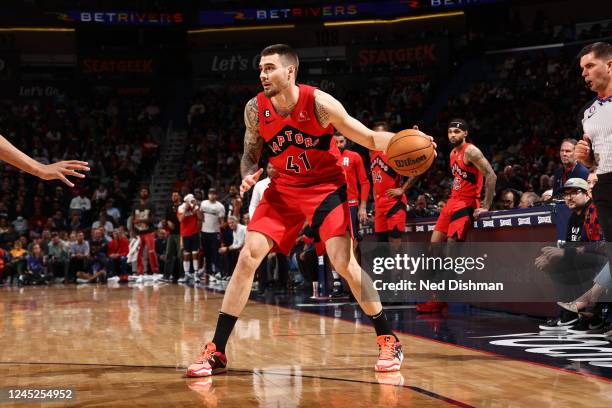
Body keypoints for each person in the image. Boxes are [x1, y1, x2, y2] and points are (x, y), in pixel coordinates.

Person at [187, 44, 435, 377]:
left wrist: (409, 140)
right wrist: (248, 173)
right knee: (248, 257)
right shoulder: (255, 109)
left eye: (270, 68)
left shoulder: (319, 103)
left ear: (290, 71)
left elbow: (369, 138)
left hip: (325, 189)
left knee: (342, 262)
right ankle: (217, 350)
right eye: (261, 68)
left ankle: (388, 337)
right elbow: (250, 154)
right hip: (283, 191)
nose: (263, 75)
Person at [418, 118, 496, 313]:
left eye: (456, 132)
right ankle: (438, 293)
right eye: (450, 131)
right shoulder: (453, 153)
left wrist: (485, 205)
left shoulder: (471, 151)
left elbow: (491, 175)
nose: (452, 135)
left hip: (466, 203)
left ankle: (439, 299)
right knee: (433, 248)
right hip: (452, 201)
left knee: (451, 252)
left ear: (465, 133)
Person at [536, 178, 605, 333]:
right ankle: (569, 314)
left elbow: (601, 245)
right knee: (555, 262)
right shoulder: (574, 217)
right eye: (566, 194)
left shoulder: (594, 211)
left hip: (604, 261)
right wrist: (553, 254)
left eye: (574, 192)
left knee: (574, 259)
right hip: (589, 258)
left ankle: (589, 316)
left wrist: (566, 252)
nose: (569, 197)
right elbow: (569, 246)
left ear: (587, 195)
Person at [575, 42, 612, 281]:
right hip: (605, 184)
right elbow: (592, 161)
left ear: (609, 65)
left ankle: (589, 301)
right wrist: (586, 160)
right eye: (582, 68)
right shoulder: (587, 113)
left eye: (589, 65)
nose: (584, 73)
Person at [369, 122, 415, 247]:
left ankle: (400, 267)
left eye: (380, 135)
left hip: (394, 202)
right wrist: (375, 198)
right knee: (381, 244)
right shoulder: (371, 152)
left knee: (395, 243)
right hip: (379, 204)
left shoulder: (396, 151)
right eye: (375, 135)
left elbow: (416, 170)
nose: (377, 137)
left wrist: (402, 189)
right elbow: (375, 178)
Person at [132, 186, 158, 280]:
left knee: (151, 251)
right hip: (138, 232)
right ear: (140, 193)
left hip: (149, 231)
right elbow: (133, 219)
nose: (143, 193)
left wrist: (140, 220)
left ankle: (155, 271)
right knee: (138, 253)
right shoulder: (135, 206)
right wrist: (133, 232)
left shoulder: (151, 205)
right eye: (142, 191)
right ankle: (140, 272)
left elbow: (153, 219)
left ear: (148, 194)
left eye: (145, 191)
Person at [200, 188, 226, 280]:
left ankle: (218, 271)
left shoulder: (220, 206)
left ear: (216, 195)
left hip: (215, 232)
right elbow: (200, 216)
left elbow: (222, 221)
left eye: (214, 194)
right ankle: (208, 271)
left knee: (216, 253)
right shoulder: (203, 204)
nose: (212, 195)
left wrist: (222, 227)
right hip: (204, 231)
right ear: (208, 195)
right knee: (207, 253)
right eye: (210, 194)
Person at [177, 193, 202, 283]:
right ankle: (186, 274)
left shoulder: (195, 207)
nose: (192, 201)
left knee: (195, 254)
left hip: (194, 233)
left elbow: (200, 218)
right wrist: (186, 209)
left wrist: (196, 208)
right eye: (190, 200)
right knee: (186, 254)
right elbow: (180, 219)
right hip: (185, 234)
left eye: (193, 200)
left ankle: (196, 274)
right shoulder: (181, 208)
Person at [162, 191, 182, 282]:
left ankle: (181, 275)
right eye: (173, 195)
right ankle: (166, 275)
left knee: (180, 255)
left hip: (181, 234)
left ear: (180, 197)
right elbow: (165, 220)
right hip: (171, 234)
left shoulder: (183, 207)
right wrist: (167, 222)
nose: (174, 197)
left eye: (176, 195)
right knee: (169, 254)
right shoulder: (169, 208)